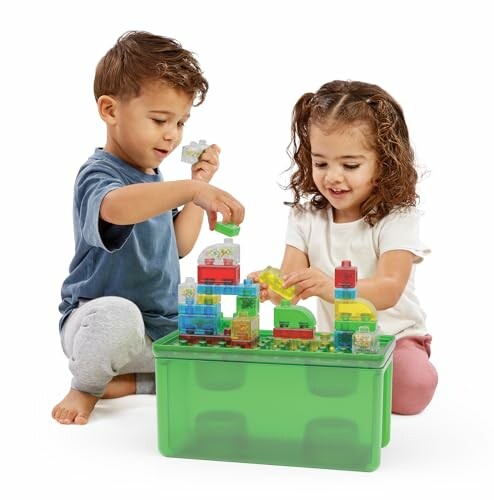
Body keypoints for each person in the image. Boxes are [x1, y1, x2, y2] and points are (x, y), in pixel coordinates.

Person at [52, 31, 244, 425]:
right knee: (118, 318)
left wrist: (196, 188)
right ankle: (86, 386)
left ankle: (133, 382)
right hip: (97, 323)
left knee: (228, 340)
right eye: (159, 120)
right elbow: (116, 209)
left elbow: (177, 245)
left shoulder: (158, 180)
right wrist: (190, 188)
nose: (172, 134)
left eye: (180, 122)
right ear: (110, 110)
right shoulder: (99, 173)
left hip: (158, 330)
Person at [251, 80, 437, 415]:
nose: (333, 177)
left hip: (393, 340)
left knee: (413, 386)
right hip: (336, 343)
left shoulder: (398, 219)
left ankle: (365, 383)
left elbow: (388, 289)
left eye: (350, 165)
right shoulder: (306, 216)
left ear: (384, 162)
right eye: (321, 163)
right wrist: (271, 283)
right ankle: (349, 383)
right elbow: (290, 288)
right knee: (287, 379)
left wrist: (330, 286)